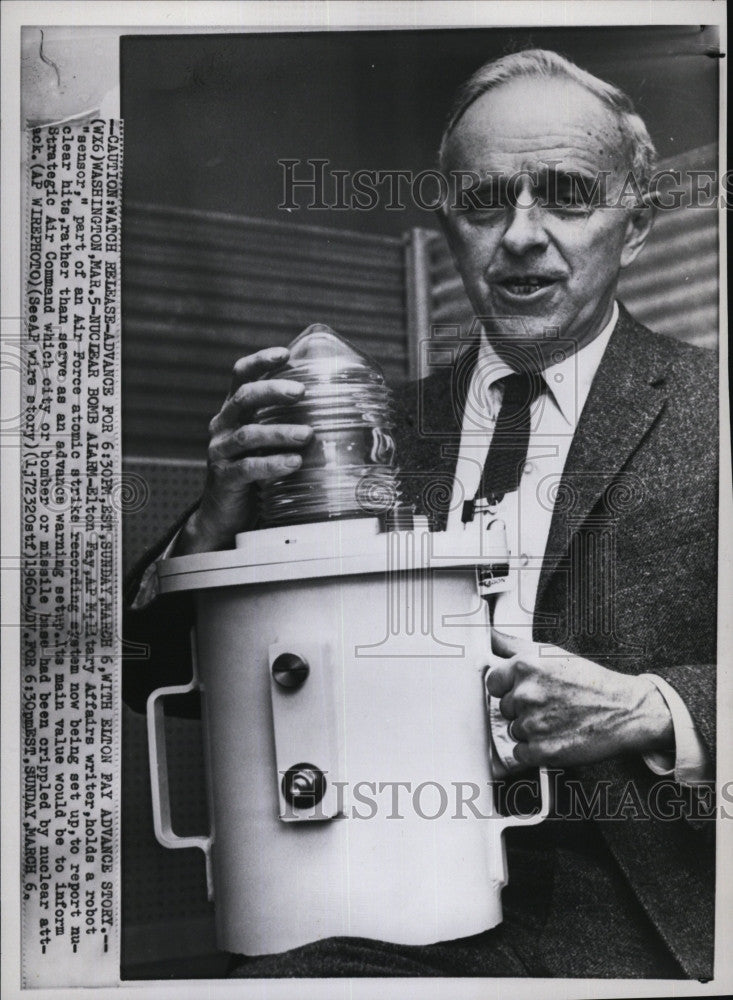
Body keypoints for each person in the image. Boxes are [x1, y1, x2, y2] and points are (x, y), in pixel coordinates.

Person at [125, 49, 717, 979]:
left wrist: (653, 707)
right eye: (484, 202)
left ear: (635, 225)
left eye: (565, 196)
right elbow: (140, 678)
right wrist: (209, 527)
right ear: (447, 227)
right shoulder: (354, 432)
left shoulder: (712, 410)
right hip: (369, 884)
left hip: (626, 907)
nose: (520, 235)